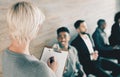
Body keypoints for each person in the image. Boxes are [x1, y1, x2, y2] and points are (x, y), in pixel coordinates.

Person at [2, 1, 57, 77]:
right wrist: (52, 72)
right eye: (38, 25)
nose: (39, 28)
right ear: (32, 27)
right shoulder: (39, 68)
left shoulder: (5, 54)